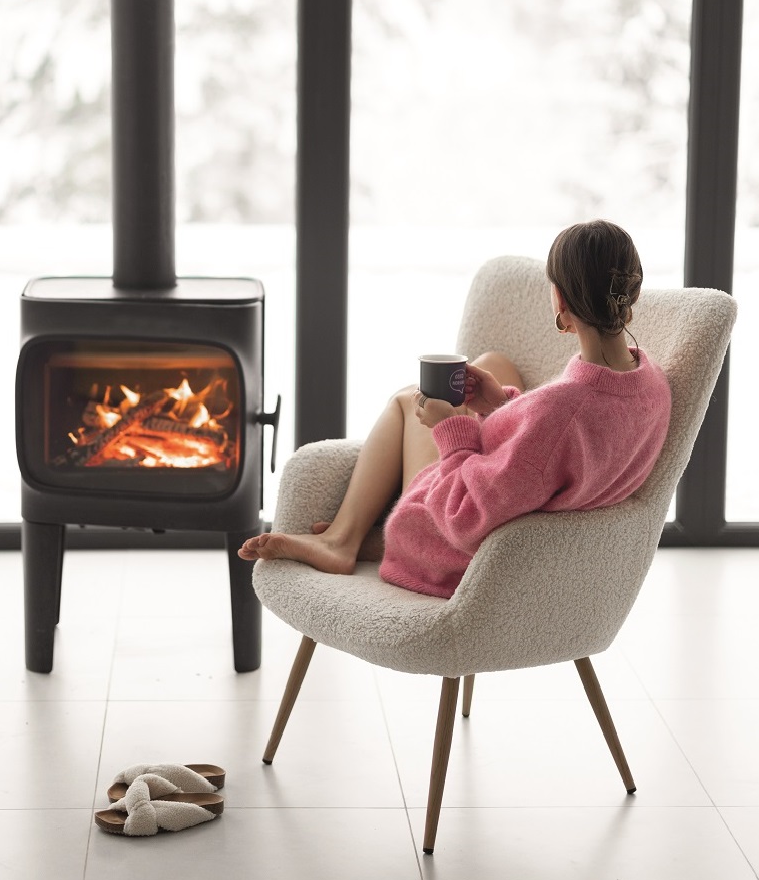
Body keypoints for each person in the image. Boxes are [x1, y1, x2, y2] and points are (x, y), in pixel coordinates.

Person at [238, 219, 672, 599]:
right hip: (543, 548)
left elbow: (467, 518)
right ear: (630, 291)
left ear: (560, 303)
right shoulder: (650, 384)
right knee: (494, 362)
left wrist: (453, 432)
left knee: (410, 401)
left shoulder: (562, 411)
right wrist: (501, 406)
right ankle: (365, 538)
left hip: (466, 556)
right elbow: (554, 457)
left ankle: (343, 541)